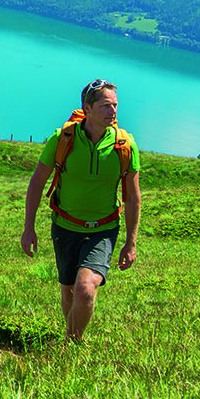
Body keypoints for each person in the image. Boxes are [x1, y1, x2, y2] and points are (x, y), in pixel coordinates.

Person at [21, 78, 142, 342]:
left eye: (115, 106)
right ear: (87, 108)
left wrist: (130, 243)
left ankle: (71, 343)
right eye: (105, 106)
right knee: (69, 290)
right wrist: (28, 228)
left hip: (103, 229)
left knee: (86, 289)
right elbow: (37, 182)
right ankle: (72, 337)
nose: (113, 112)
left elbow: (132, 198)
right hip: (65, 226)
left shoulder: (125, 145)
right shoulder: (63, 139)